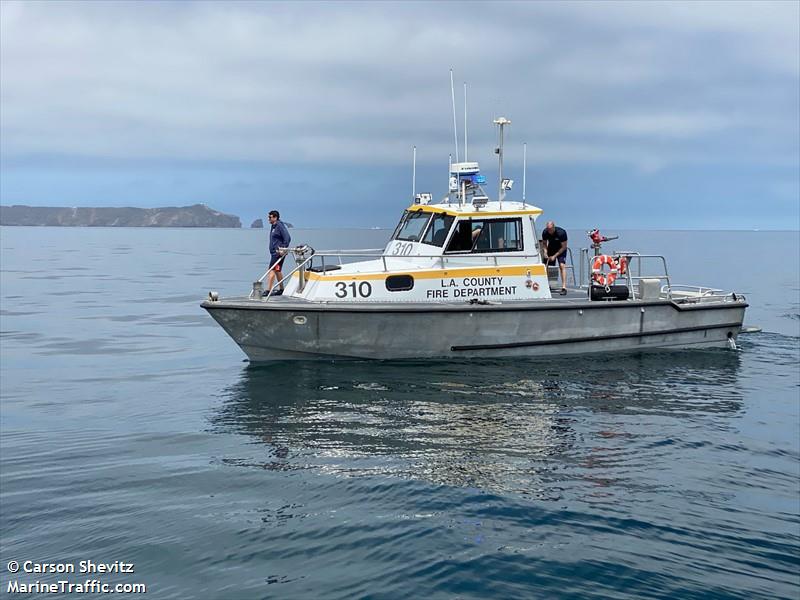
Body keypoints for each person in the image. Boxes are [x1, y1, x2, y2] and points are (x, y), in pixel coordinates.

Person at [266, 210, 291, 296]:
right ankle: (281, 289)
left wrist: (283, 248)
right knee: (277, 270)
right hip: (274, 253)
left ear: (275, 217)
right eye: (268, 217)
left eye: (270, 217)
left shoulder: (280, 226)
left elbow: (287, 238)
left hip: (278, 253)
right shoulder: (273, 226)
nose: (268, 219)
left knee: (271, 270)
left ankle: (268, 290)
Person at [540, 220, 568, 295]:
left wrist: (554, 256)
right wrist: (545, 252)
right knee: (546, 265)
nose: (549, 231)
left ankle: (564, 287)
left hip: (561, 249)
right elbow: (544, 244)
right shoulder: (545, 232)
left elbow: (564, 247)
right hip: (551, 248)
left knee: (562, 265)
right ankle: (546, 285)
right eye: (548, 229)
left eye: (550, 229)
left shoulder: (561, 233)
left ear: (554, 227)